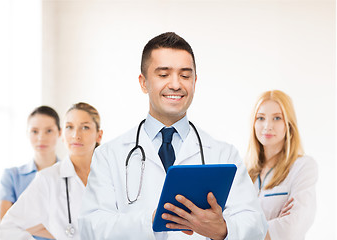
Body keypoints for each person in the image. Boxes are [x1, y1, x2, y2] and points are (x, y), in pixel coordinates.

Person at [79, 32, 267, 240]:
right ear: (143, 83)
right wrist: (150, 221)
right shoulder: (109, 155)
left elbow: (256, 224)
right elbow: (91, 227)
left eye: (185, 76)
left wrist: (223, 230)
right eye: (163, 75)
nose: (176, 84)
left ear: (195, 81)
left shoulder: (224, 154)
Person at [0, 102, 103, 240]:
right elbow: (7, 226)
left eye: (85, 127)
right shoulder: (47, 178)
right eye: (69, 127)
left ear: (99, 135)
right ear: (63, 134)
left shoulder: (112, 175)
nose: (76, 135)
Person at [245, 90, 318, 240]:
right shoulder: (242, 173)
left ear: (289, 124)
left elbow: (292, 228)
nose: (267, 126)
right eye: (261, 118)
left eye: (277, 118)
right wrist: (274, 224)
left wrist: (240, 230)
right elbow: (223, 223)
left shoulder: (303, 167)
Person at [0, 105, 61, 240]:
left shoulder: (71, 175)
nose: (41, 137)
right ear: (27, 133)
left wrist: (23, 224)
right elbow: (6, 223)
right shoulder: (12, 176)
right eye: (34, 131)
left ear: (59, 133)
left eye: (48, 131)